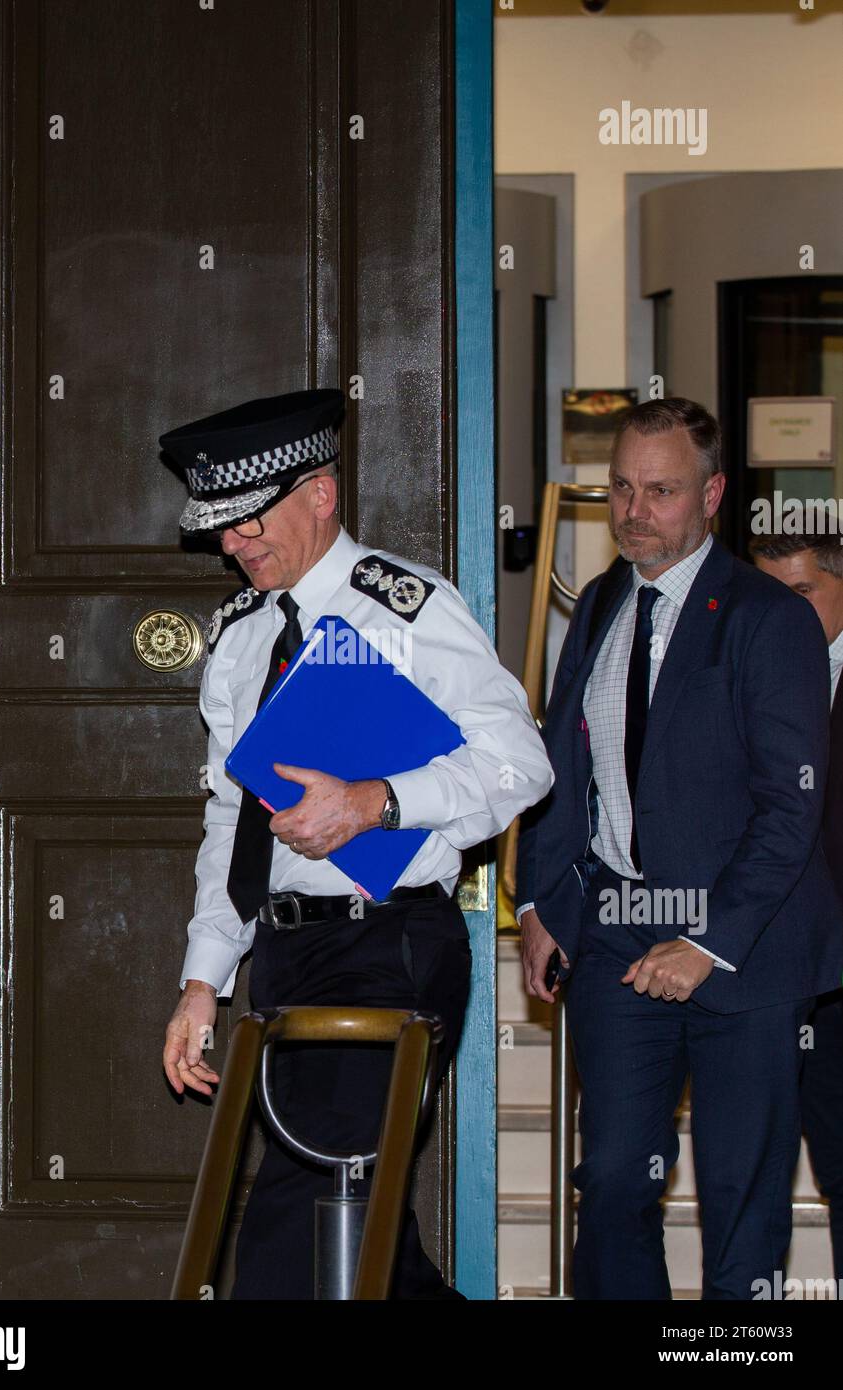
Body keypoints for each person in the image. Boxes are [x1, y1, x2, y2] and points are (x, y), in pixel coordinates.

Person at [159, 387, 553, 1298]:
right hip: (288, 954)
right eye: (220, 528)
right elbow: (231, 821)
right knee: (365, 1225)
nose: (232, 543)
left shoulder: (403, 609)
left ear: (320, 494)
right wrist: (201, 982)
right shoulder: (240, 639)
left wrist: (376, 803)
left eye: (248, 520)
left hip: (389, 942)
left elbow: (519, 764)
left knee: (293, 1227)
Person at [515, 396, 843, 1300]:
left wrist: (705, 944)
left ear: (710, 496)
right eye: (621, 488)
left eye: (659, 491)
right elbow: (558, 764)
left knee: (742, 1201)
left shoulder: (765, 618)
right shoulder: (599, 606)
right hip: (618, 934)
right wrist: (540, 903)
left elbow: (791, 809)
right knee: (615, 1176)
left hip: (745, 944)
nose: (633, 510)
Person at [751, 529, 843, 1281]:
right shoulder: (741, 675)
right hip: (759, 960)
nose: (782, 613)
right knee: (752, 1169)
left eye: (802, 592)